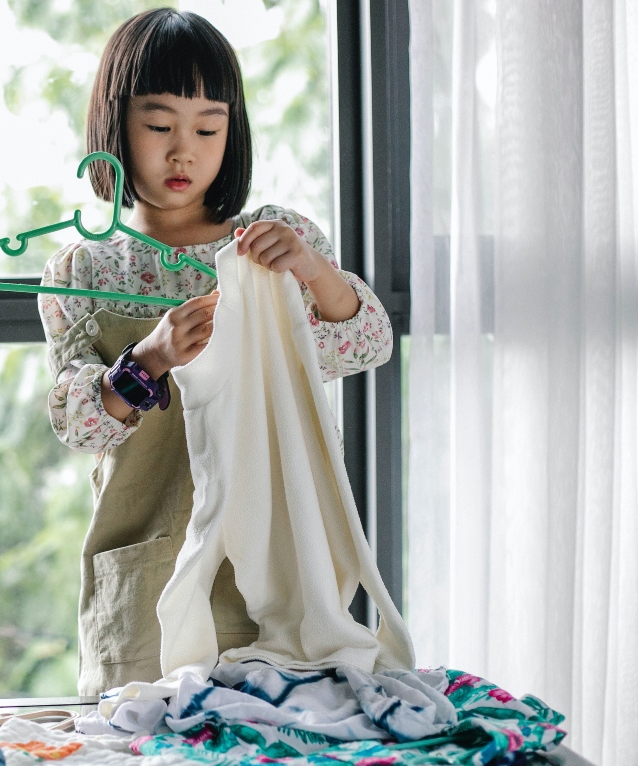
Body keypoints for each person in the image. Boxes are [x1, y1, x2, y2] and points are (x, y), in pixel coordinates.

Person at [38, 8, 394, 698]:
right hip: (149, 563)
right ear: (114, 126)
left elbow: (365, 343)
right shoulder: (81, 270)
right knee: (151, 756)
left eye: (207, 127)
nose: (184, 152)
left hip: (279, 555)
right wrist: (149, 359)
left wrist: (313, 273)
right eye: (159, 124)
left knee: (284, 746)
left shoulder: (273, 241)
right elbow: (80, 425)